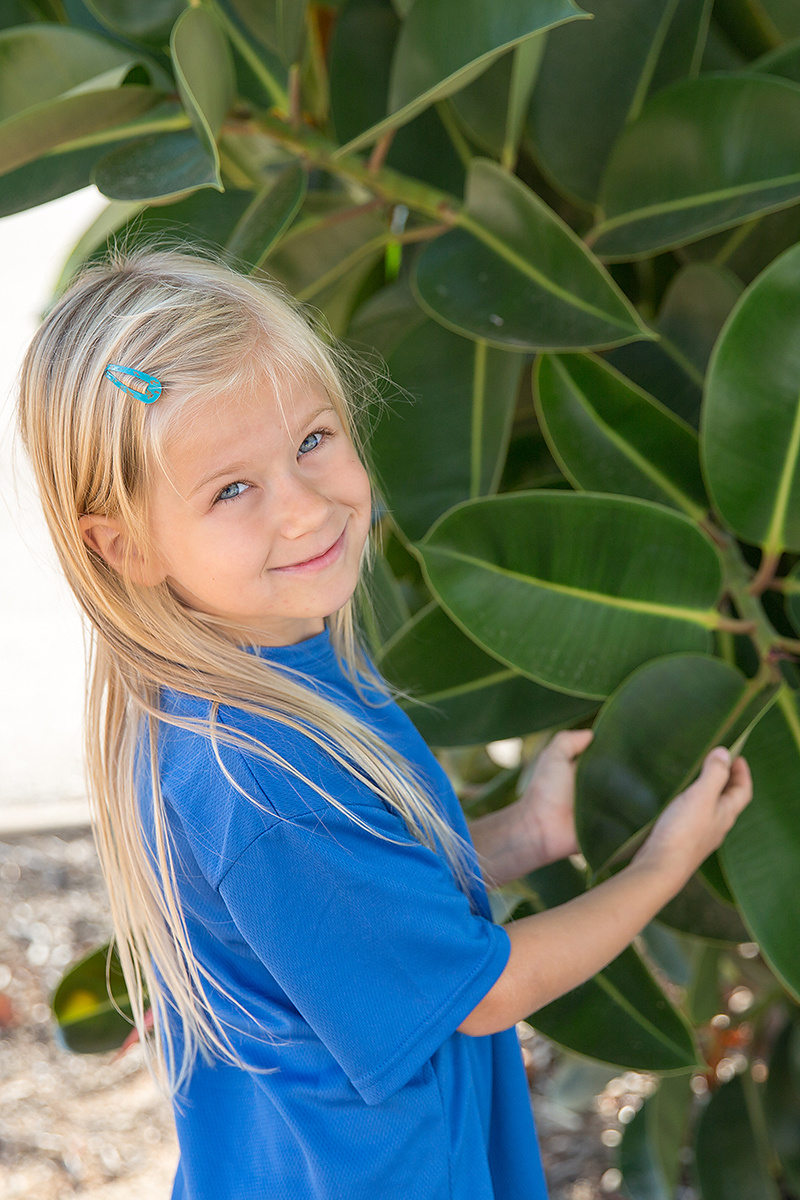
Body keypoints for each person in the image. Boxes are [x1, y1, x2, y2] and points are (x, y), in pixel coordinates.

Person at [17, 248, 752, 1200]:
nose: (306, 507)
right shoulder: (255, 780)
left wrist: (527, 835)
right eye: (231, 490)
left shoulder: (272, 676)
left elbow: (359, 917)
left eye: (313, 440)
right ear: (125, 548)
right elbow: (485, 993)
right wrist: (664, 865)